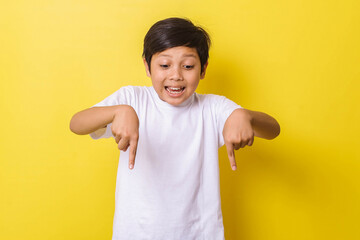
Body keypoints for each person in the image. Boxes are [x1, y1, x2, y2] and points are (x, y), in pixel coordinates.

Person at [70, 17, 280, 240]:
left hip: (199, 234)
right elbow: (77, 123)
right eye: (164, 65)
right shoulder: (133, 99)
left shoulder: (213, 108)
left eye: (188, 66)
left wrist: (243, 116)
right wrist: (117, 112)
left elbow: (273, 130)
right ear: (147, 66)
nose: (176, 75)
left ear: (203, 69)